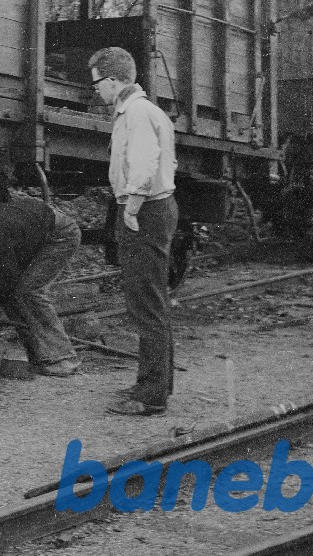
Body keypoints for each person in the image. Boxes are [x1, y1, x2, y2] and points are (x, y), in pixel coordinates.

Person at [88, 46, 178, 417]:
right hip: (154, 207)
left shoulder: (138, 114)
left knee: (146, 303)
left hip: (146, 210)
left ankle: (152, 394)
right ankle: (151, 383)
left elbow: (145, 161)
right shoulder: (141, 111)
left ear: (113, 80)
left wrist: (133, 207)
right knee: (147, 300)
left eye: (97, 83)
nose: (96, 90)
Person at [0, 190, 82, 377]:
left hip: (60, 235)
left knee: (29, 291)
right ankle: (41, 357)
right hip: (36, 233)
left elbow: (9, 276)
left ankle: (63, 358)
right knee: (7, 295)